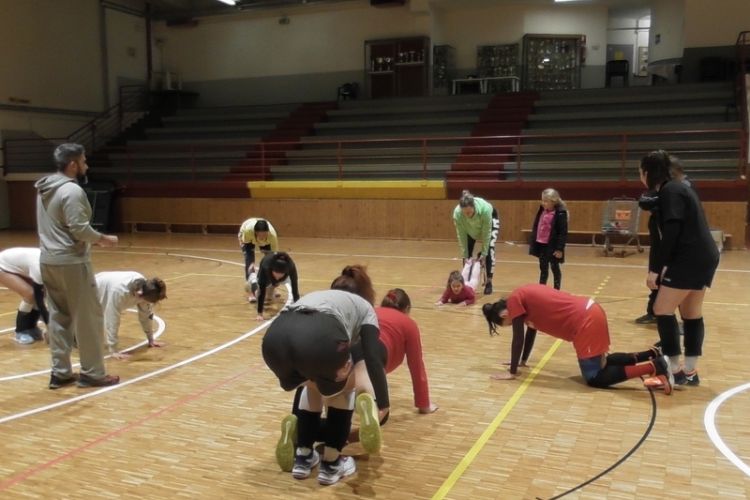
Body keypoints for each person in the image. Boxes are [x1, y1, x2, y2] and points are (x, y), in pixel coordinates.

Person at [262, 268, 389, 485]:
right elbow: (372, 355)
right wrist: (383, 403)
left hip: (274, 341)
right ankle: (331, 464)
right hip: (319, 344)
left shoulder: (320, 296)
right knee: (342, 391)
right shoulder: (365, 308)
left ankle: (302, 456)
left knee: (311, 385)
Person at [482, 284, 674, 394]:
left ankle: (655, 366)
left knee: (594, 378)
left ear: (504, 315)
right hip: (590, 311)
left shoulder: (515, 301)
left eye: (504, 324)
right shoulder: (522, 301)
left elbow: (518, 338)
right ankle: (652, 353)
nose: (510, 325)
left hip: (585, 322)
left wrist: (512, 372)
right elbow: (530, 332)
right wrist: (522, 362)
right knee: (603, 362)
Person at [35, 143, 120, 389]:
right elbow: (79, 229)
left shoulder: (44, 188)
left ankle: (60, 373)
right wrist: (103, 239)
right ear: (73, 164)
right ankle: (93, 373)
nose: (86, 165)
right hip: (71, 262)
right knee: (89, 319)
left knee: (59, 317)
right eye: (83, 161)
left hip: (48, 260)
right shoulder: (71, 191)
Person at [638, 150, 719, 386]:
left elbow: (672, 231)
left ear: (648, 173)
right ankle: (690, 371)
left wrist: (659, 268)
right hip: (705, 256)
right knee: (691, 313)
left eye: (640, 172)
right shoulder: (678, 188)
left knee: (661, 309)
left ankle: (673, 371)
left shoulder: (671, 190)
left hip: (689, 258)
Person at [634, 156, 694, 325]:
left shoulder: (680, 188)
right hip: (659, 241)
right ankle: (653, 312)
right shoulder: (662, 190)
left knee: (676, 282)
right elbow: (644, 201)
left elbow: (655, 204)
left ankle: (684, 320)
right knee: (655, 277)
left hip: (677, 246)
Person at [95, 272, 167, 359]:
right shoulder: (119, 292)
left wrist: (151, 339)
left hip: (106, 287)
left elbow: (146, 315)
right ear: (140, 295)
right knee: (85, 319)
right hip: (92, 289)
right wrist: (113, 350)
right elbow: (112, 319)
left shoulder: (146, 289)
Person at [452, 190, 500, 295]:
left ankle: (489, 282)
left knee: (489, 249)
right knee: (466, 256)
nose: (467, 215)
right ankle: (465, 283)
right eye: (464, 213)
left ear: (474, 207)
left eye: (469, 212)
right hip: (470, 228)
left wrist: (484, 253)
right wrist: (465, 255)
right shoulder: (457, 214)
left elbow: (486, 233)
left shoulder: (485, 209)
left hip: (488, 223)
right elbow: (462, 235)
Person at [0, 247, 48, 344]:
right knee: (30, 294)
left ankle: (31, 327)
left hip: (21, 267)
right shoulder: (38, 267)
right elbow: (39, 298)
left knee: (41, 294)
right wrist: (49, 325)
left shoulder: (53, 267)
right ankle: (21, 331)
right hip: (3, 266)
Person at [528, 188, 568, 290]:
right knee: (543, 268)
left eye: (546, 201)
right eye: (542, 200)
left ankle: (556, 290)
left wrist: (559, 249)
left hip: (553, 246)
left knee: (555, 268)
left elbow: (562, 233)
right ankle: (542, 290)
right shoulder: (542, 210)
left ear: (553, 202)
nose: (543, 203)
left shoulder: (560, 213)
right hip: (541, 244)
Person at [250, 251, 300, 320]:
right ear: (272, 270)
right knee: (259, 294)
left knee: (272, 290)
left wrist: (297, 308)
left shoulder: (291, 266)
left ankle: (274, 286)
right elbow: (262, 291)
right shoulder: (266, 266)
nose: (277, 277)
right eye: (276, 273)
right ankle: (252, 275)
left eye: (280, 274)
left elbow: (295, 289)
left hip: (279, 277)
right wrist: (259, 314)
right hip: (267, 273)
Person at [238, 218, 278, 294]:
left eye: (264, 234)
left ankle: (269, 286)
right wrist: (251, 263)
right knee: (249, 262)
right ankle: (251, 289)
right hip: (247, 237)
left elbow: (273, 256)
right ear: (256, 232)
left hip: (266, 240)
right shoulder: (248, 232)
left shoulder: (272, 236)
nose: (262, 237)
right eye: (260, 235)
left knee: (269, 262)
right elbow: (248, 251)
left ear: (268, 232)